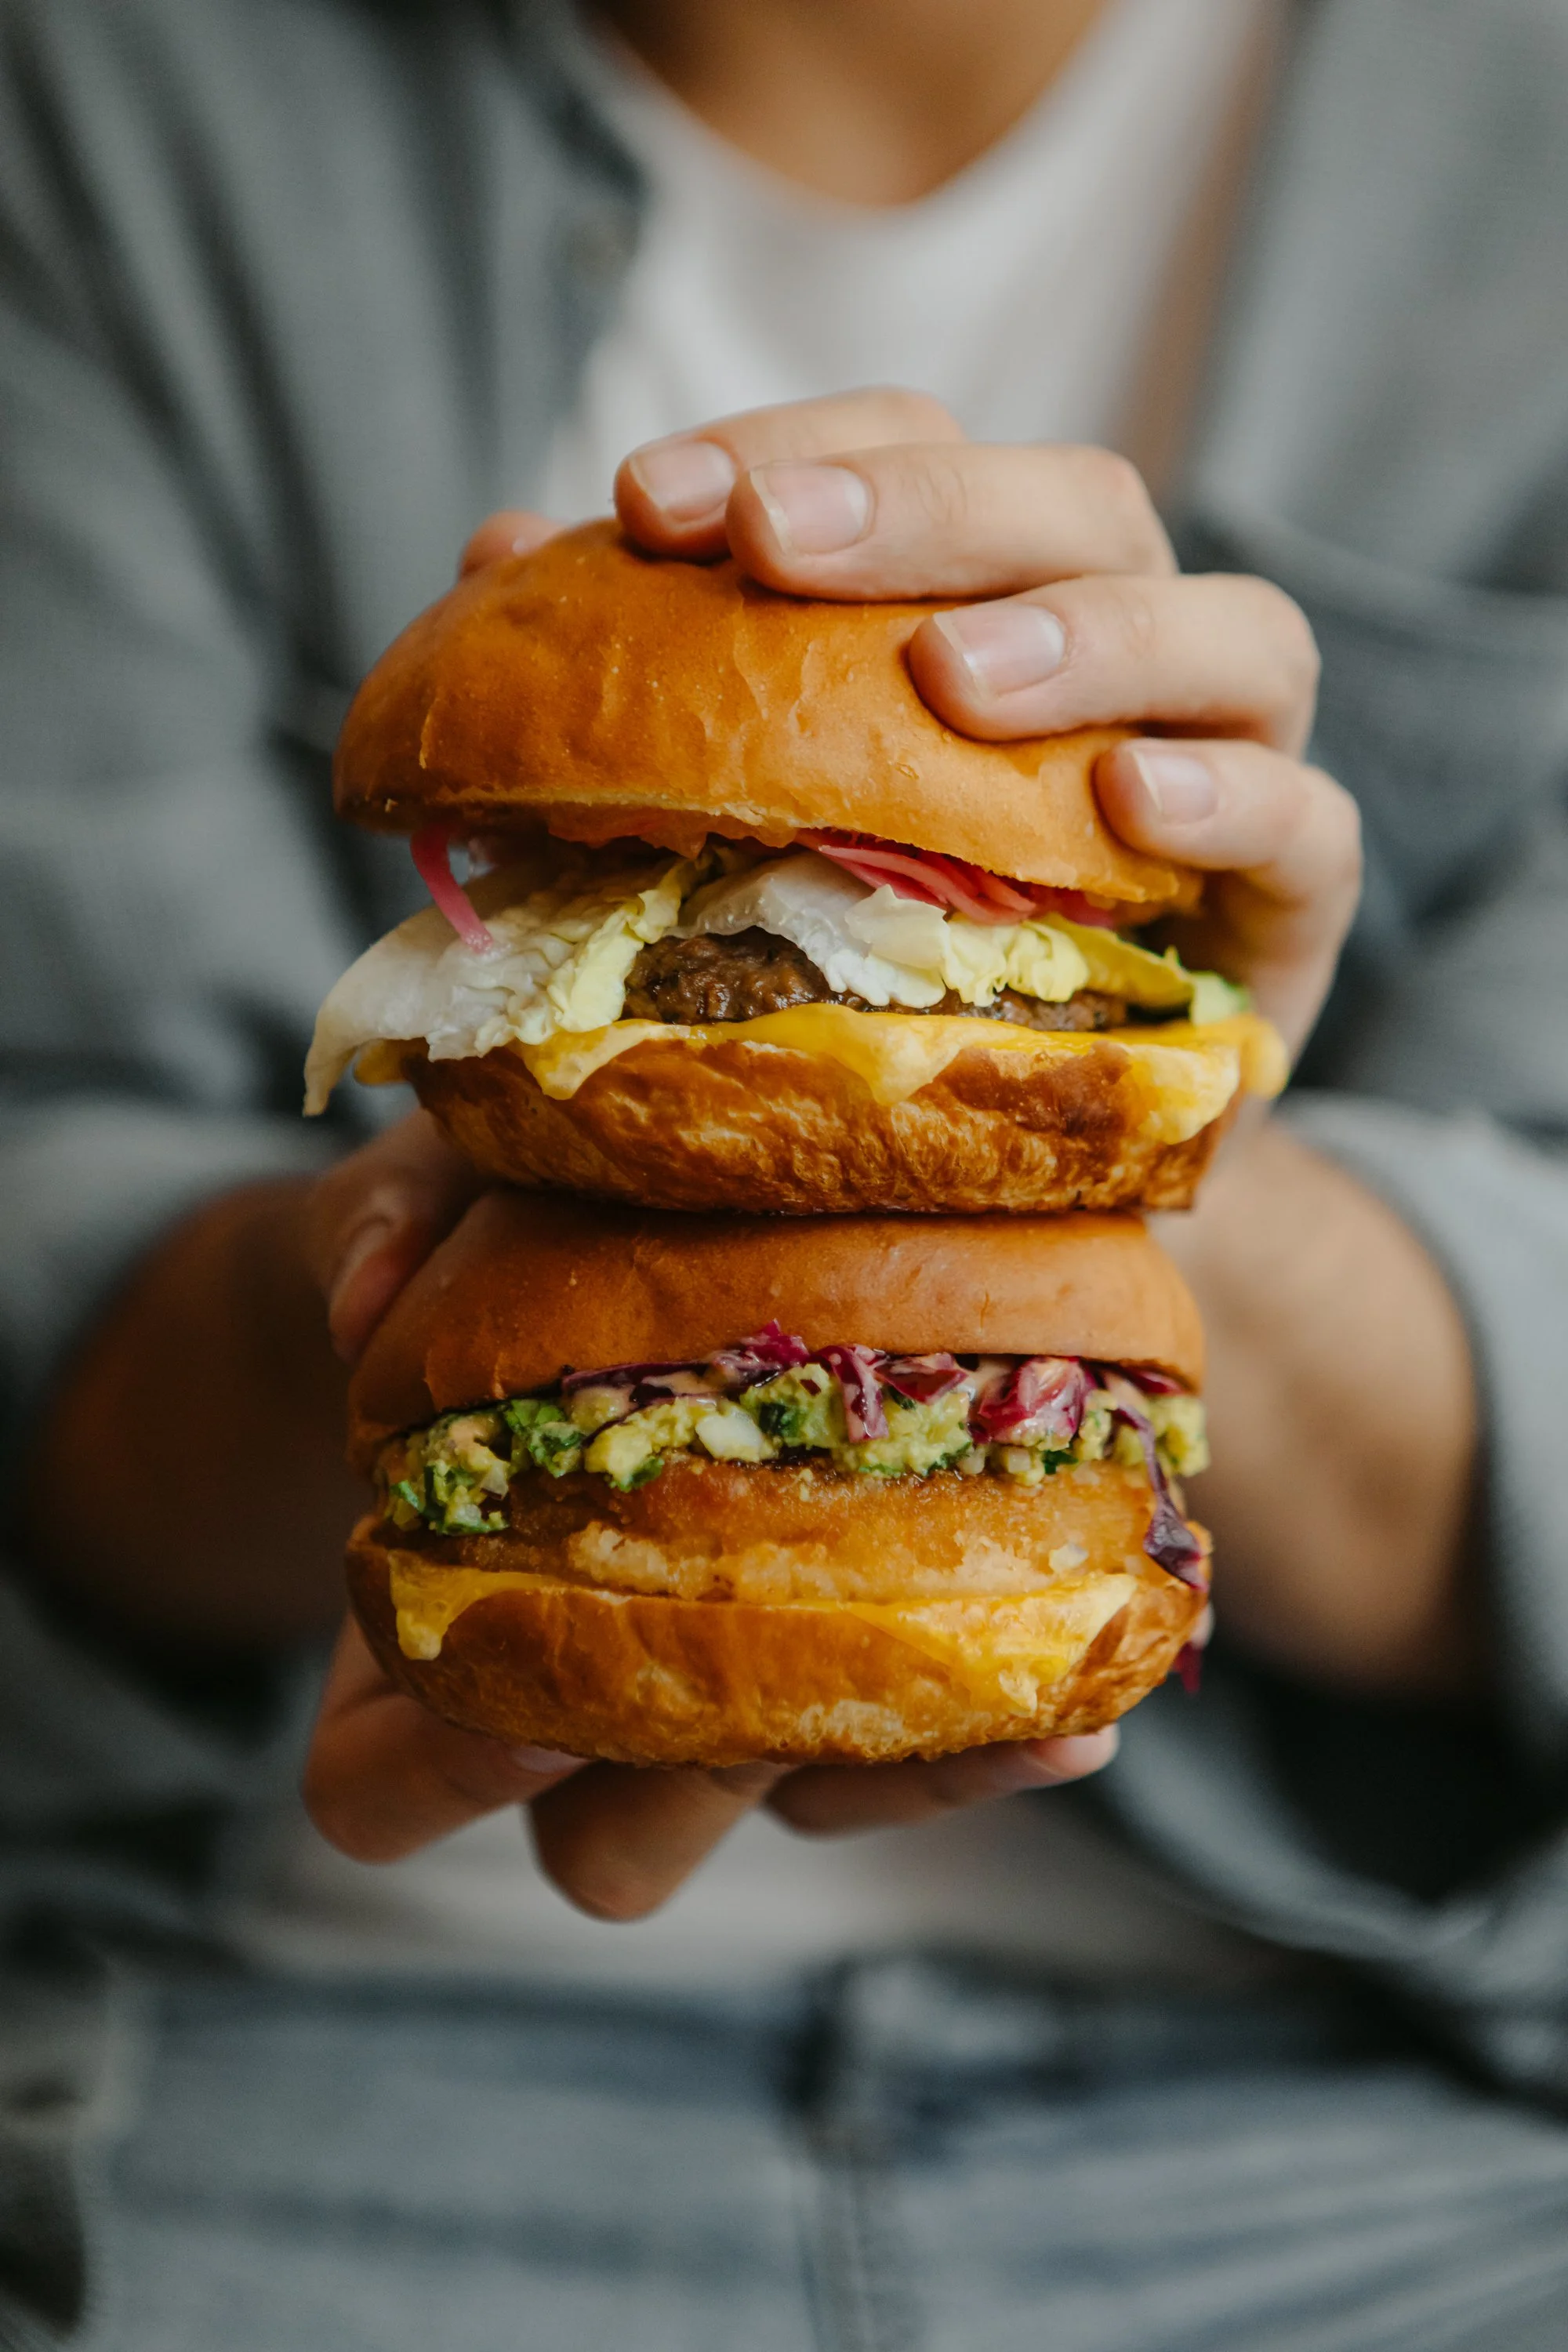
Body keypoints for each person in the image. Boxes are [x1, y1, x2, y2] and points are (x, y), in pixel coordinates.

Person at [2, 2, 1566, 2346]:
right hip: (307, 2061)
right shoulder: (107, 95)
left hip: (1370, 2097)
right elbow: (44, 1258)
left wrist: (1128, 1133)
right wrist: (414, 1274)